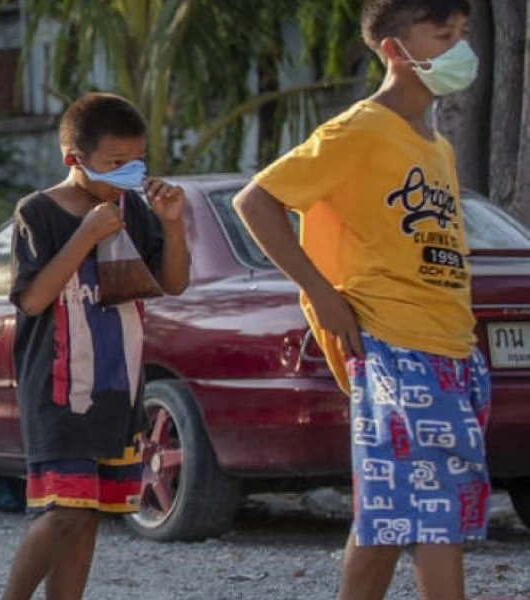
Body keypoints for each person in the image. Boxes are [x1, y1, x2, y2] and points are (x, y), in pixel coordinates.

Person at [233, 1, 485, 599]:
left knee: (389, 516)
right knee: (435, 517)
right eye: (443, 35)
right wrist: (320, 293)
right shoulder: (360, 129)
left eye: (463, 34)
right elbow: (256, 201)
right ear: (395, 49)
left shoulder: (438, 146)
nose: (459, 49)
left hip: (450, 347)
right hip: (397, 345)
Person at [2, 93, 190, 600]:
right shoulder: (38, 211)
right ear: (74, 159)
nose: (129, 174)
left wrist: (172, 223)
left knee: (89, 517)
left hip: (117, 387)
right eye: (115, 163)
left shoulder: (133, 211)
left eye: (138, 162)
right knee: (64, 511)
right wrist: (87, 235)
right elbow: (33, 299)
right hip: (59, 390)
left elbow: (174, 282)